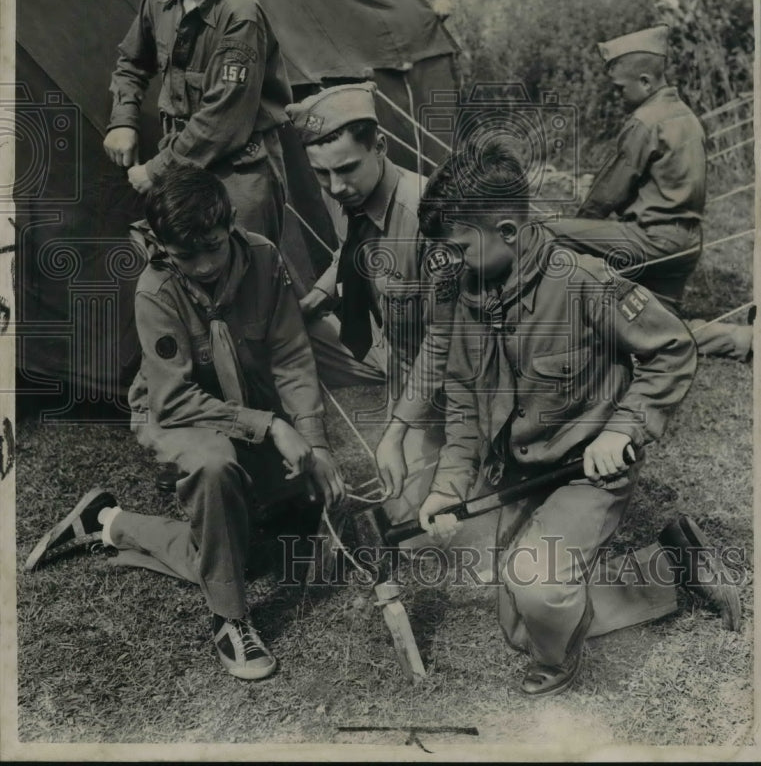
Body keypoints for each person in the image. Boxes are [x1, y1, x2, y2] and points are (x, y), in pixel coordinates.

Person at [416, 135, 741, 697]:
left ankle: (559, 660)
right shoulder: (460, 294)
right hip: (522, 476)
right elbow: (465, 401)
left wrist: (622, 429)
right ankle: (673, 560)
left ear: (509, 233)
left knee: (538, 590)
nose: (452, 260)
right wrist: (447, 486)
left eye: (461, 248)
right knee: (522, 623)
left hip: (587, 473)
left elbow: (672, 348)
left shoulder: (583, 282)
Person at [26, 166, 345, 680]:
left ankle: (109, 523)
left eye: (212, 249)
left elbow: (290, 356)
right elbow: (172, 400)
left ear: (231, 223)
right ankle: (230, 618)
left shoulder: (264, 256)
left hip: (242, 401)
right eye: (184, 256)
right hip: (178, 413)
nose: (201, 266)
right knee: (215, 467)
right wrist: (270, 428)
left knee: (255, 542)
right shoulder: (155, 288)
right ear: (162, 245)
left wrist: (314, 440)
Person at [286, 82, 457, 523]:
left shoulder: (428, 216)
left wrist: (397, 429)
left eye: (345, 169)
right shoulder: (351, 191)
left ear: (380, 145)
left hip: (447, 382)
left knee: (403, 512)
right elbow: (352, 249)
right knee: (285, 330)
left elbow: (445, 339)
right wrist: (316, 299)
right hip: (388, 351)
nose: (335, 187)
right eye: (321, 174)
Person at [103, 0, 290, 243]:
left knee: (244, 275)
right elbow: (130, 64)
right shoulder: (157, 1)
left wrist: (156, 171)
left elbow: (223, 120)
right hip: (183, 167)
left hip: (237, 174)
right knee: (186, 277)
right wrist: (122, 120)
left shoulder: (240, 14)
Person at [544, 24, 706, 310]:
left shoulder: (644, 121)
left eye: (620, 89)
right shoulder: (687, 116)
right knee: (661, 329)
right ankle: (738, 339)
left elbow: (606, 194)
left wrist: (582, 226)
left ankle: (550, 318)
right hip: (688, 245)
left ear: (645, 82)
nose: (618, 97)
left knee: (549, 231)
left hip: (653, 241)